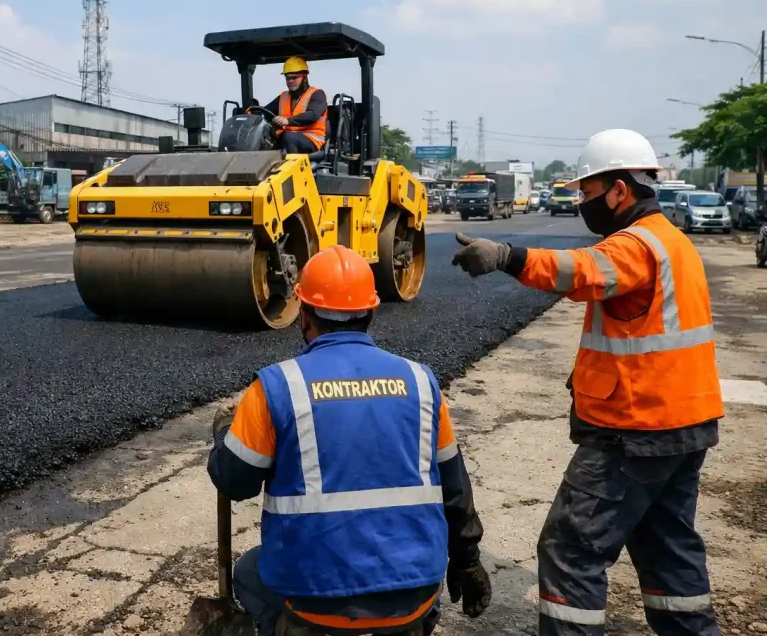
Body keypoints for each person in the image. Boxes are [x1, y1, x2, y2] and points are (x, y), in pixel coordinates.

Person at [450, 128, 723, 636]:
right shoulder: (673, 241)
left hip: (636, 429)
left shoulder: (636, 245)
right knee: (667, 549)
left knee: (571, 550)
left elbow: (583, 272)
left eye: (588, 192)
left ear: (620, 189)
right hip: (685, 422)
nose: (582, 202)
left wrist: (508, 257)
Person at [207, 245, 491, 636]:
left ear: (303, 315)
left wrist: (225, 434)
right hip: (411, 598)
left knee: (248, 572)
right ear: (372, 312)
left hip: (314, 602)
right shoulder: (421, 382)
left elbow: (234, 481)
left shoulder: (277, 386)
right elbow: (455, 488)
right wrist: (467, 560)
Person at [263, 56, 328, 155]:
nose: (290, 81)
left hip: (312, 139)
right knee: (263, 135)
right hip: (287, 137)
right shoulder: (283, 96)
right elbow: (266, 111)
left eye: (294, 77)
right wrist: (251, 113)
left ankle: (291, 169)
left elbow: (313, 115)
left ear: (305, 77)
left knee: (289, 138)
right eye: (287, 78)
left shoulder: (317, 94)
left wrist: (287, 121)